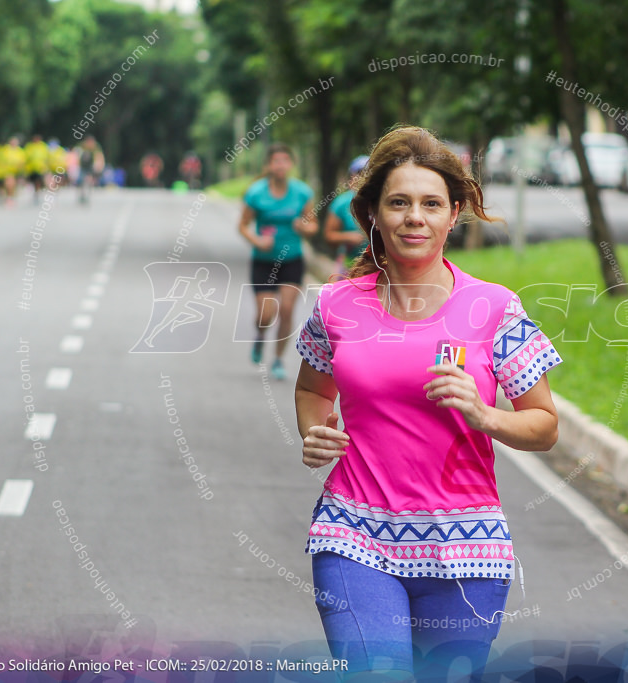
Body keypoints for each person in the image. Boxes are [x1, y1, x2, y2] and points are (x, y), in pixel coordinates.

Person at [294, 126, 562, 679]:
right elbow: (312, 389)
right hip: (353, 533)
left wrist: (484, 415)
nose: (415, 216)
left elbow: (545, 425)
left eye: (431, 203)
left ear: (454, 212)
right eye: (399, 202)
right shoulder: (339, 304)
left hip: (466, 550)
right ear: (372, 215)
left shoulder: (494, 308)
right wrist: (313, 431)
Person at [237, 143, 316, 379]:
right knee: (265, 315)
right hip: (263, 261)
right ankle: (260, 337)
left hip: (292, 259)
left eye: (285, 160)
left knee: (288, 308)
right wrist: (257, 241)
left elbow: (313, 226)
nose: (280, 165)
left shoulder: (302, 193)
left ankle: (279, 359)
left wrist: (304, 227)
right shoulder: (256, 193)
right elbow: (242, 225)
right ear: (269, 165)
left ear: (291, 164)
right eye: (276, 160)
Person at [323, 155, 370, 271]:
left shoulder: (383, 201)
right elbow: (329, 235)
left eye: (368, 174)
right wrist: (348, 237)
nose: (363, 178)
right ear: (352, 178)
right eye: (359, 174)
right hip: (349, 264)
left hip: (376, 264)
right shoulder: (341, 203)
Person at [77, 136, 104, 204]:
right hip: (82, 166)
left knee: (89, 180)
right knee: (81, 180)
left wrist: (99, 166)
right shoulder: (82, 146)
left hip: (90, 166)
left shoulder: (96, 147)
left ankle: (88, 193)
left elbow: (99, 157)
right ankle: (82, 194)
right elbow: (76, 154)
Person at [24, 134, 50, 200]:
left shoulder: (43, 146)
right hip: (31, 169)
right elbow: (26, 157)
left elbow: (47, 157)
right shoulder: (29, 146)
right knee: (34, 182)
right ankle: (36, 192)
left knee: (39, 181)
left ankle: (39, 192)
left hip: (41, 168)